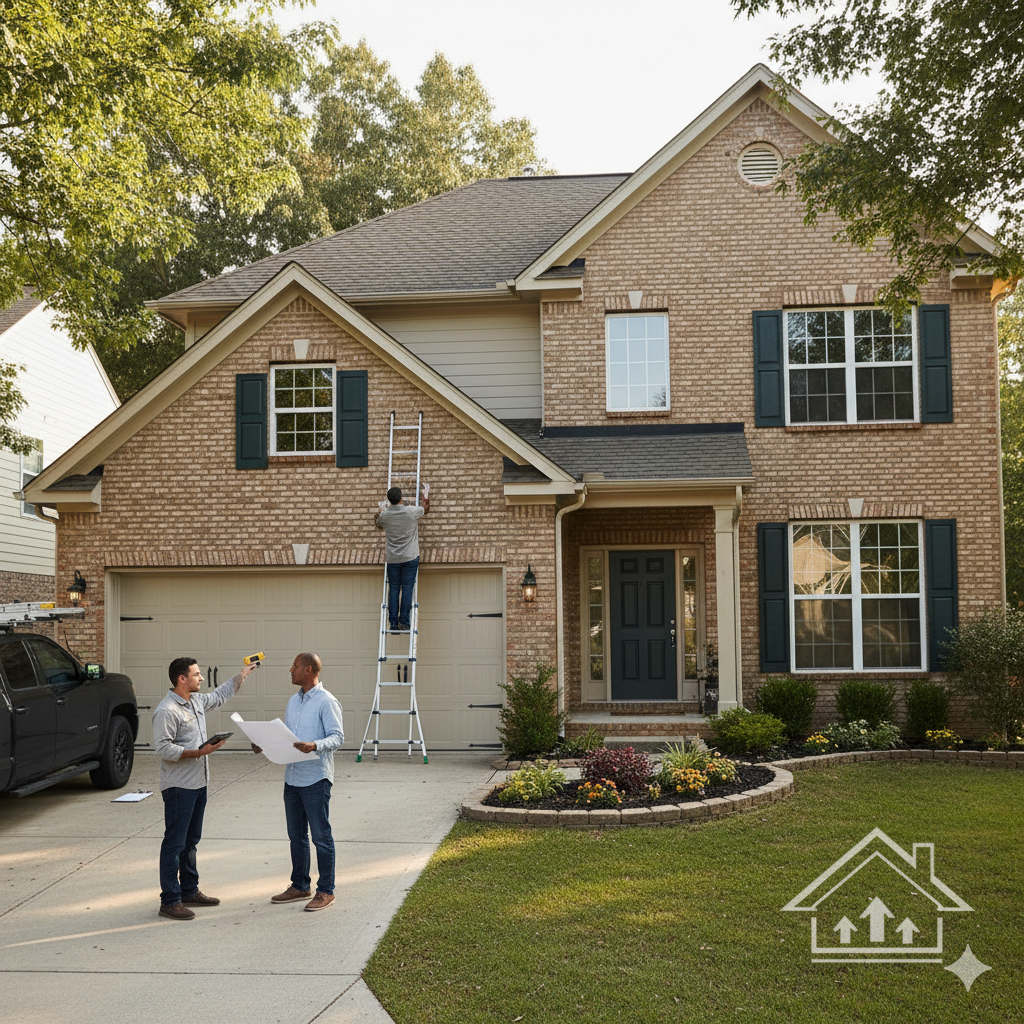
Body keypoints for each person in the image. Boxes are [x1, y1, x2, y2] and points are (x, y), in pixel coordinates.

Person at [153, 657, 255, 921]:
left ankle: (189, 890)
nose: (200, 678)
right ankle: (170, 900)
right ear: (181, 679)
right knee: (174, 844)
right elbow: (163, 749)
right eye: (196, 675)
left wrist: (241, 675)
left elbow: (219, 696)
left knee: (191, 842)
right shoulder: (167, 711)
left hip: (199, 783)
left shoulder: (196, 701)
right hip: (179, 788)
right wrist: (199, 751)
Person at [253, 652, 344, 912]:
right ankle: (300, 885)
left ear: (308, 670)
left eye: (294, 666)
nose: (289, 670)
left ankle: (326, 891)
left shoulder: (327, 701)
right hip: (292, 777)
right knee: (296, 836)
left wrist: (315, 745)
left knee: (321, 837)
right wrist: (265, 744)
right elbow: (287, 739)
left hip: (316, 778)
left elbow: (338, 738)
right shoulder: (293, 701)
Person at [374, 482, 430, 631]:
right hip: (410, 557)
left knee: (393, 589)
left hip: (393, 558)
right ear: (401, 499)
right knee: (407, 588)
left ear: (389, 500)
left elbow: (378, 524)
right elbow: (425, 509)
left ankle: (393, 622)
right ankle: (404, 621)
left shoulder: (385, 515)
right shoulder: (411, 512)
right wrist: (426, 495)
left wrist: (378, 512)